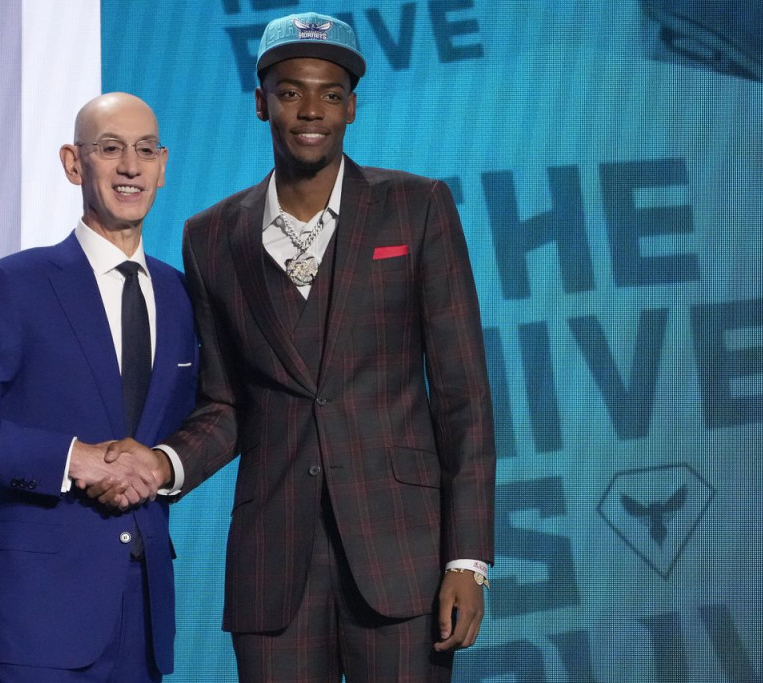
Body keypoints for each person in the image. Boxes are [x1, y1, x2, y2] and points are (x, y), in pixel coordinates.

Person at [104, 12, 496, 682]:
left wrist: (468, 559)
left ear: (351, 108)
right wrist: (165, 462)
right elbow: (226, 401)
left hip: (402, 556)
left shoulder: (418, 207)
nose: (311, 110)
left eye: (330, 94)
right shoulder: (210, 236)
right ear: (261, 103)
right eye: (290, 92)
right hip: (272, 563)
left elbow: (463, 397)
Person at [0, 92, 196, 682]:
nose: (130, 167)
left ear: (163, 166)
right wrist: (75, 459)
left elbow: (207, 418)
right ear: (74, 163)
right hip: (38, 609)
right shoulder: (15, 284)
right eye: (110, 149)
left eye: (145, 150)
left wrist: (164, 465)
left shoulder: (181, 294)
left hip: (143, 608)